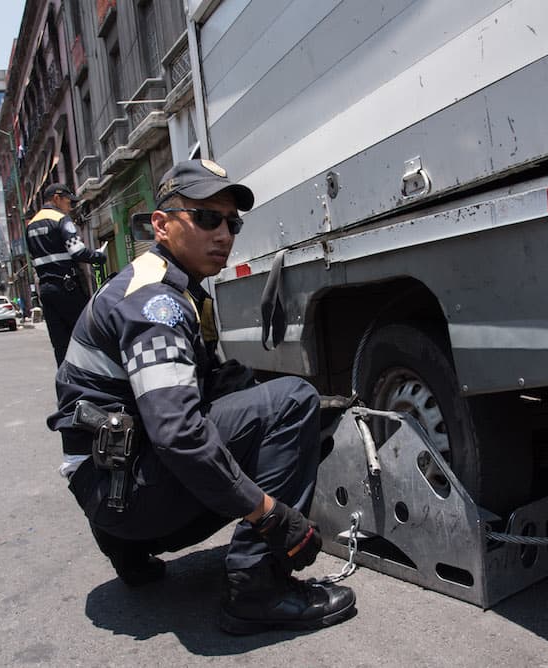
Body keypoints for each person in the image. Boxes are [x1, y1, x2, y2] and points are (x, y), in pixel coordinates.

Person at [46, 159, 356, 634]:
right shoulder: (156, 303)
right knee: (293, 400)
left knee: (240, 389)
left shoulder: (159, 284)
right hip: (127, 495)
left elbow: (189, 396)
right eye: (207, 218)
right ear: (162, 224)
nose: (224, 234)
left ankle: (128, 551)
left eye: (232, 223)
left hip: (105, 490)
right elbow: (179, 435)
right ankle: (257, 587)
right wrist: (271, 515)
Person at [27, 183, 106, 365]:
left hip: (46, 290)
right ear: (57, 198)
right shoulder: (61, 219)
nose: (71, 206)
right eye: (69, 202)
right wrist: (98, 256)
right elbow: (78, 252)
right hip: (67, 288)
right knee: (85, 334)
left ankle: (67, 382)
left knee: (60, 343)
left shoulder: (31, 225)